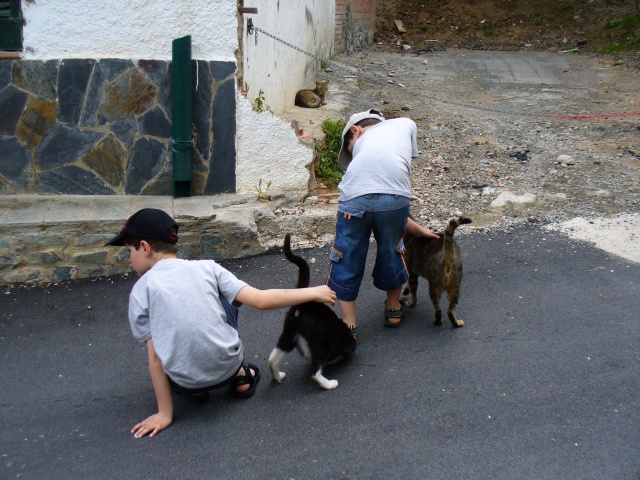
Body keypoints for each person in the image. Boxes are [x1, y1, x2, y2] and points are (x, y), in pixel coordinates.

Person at [106, 208, 336, 438]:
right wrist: (312, 292)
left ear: (145, 248)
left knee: (167, 332)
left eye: (129, 251)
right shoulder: (207, 267)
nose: (129, 260)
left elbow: (155, 359)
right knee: (225, 300)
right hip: (228, 366)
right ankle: (240, 376)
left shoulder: (140, 290)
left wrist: (164, 414)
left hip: (186, 381)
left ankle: (196, 391)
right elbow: (261, 300)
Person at [327, 109, 439, 338]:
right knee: (392, 249)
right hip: (395, 199)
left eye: (351, 149)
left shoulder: (366, 143)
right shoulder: (406, 124)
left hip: (353, 200)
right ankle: (394, 309)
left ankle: (348, 326)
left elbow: (370, 188)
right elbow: (386, 187)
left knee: (347, 256)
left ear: (355, 131)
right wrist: (415, 228)